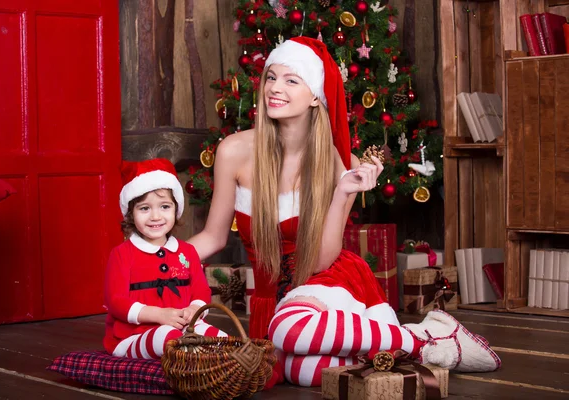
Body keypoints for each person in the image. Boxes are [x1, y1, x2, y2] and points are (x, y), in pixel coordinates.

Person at [188, 37, 500, 387]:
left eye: (292, 80)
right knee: (304, 373)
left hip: (325, 282)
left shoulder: (343, 164)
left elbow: (321, 261)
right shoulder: (234, 151)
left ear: (316, 96)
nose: (275, 88)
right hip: (271, 304)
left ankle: (424, 342)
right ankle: (413, 338)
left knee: (291, 331)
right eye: (271, 77)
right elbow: (213, 236)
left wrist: (341, 193)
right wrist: (159, 259)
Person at [103, 158, 226, 359]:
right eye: (144, 208)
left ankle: (228, 361)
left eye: (164, 207)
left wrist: (193, 310)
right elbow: (116, 301)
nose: (155, 216)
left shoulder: (187, 252)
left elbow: (201, 290)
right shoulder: (122, 254)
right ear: (131, 214)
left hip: (184, 327)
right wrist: (159, 315)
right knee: (167, 336)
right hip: (133, 335)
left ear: (176, 209)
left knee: (217, 337)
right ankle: (191, 361)